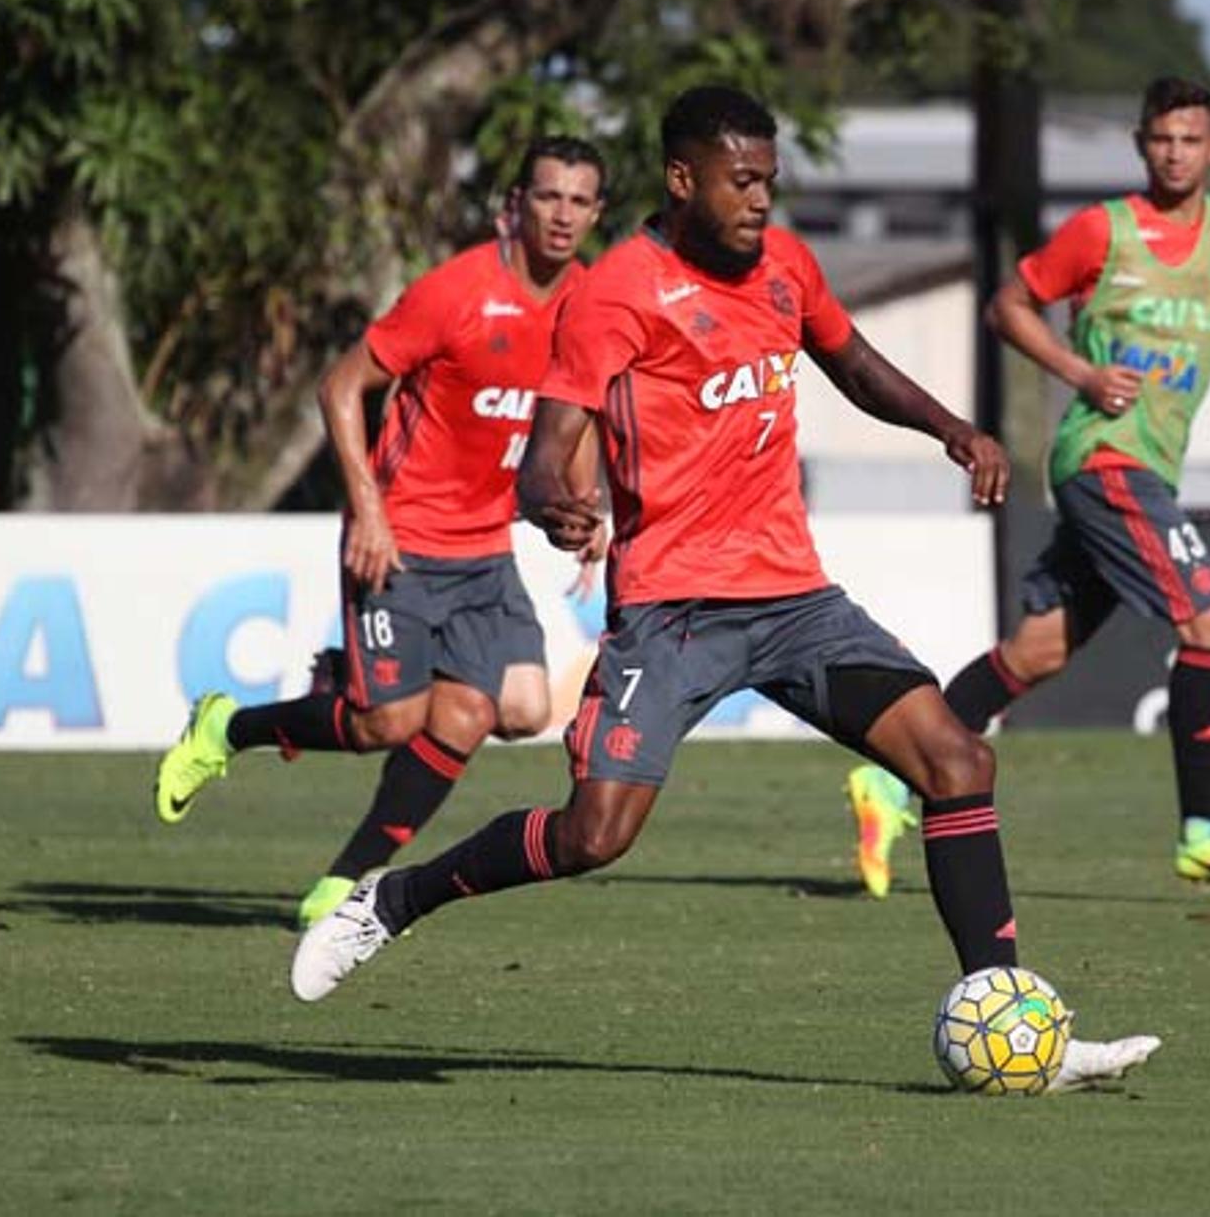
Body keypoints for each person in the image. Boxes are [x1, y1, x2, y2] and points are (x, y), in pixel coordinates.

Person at [292, 86, 1158, 1090]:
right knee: (593, 834)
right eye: (742, 181)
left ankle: (1015, 1021)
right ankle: (391, 901)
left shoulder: (787, 264)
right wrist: (550, 504)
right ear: (682, 178)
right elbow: (549, 450)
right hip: (672, 612)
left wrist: (953, 430)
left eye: (771, 180)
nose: (761, 200)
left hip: (795, 600)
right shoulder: (617, 291)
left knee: (957, 760)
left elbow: (855, 361)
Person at [847, 76, 1210, 889]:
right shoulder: (1102, 232)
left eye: (1189, 139)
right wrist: (1079, 372)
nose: (1175, 153)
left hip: (1151, 465)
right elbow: (1009, 306)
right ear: (1141, 143)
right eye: (1161, 138)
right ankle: (1203, 831)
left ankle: (887, 777)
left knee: (1037, 649)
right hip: (1103, 458)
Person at [152, 137, 608, 928]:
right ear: (516, 203)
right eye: (548, 197)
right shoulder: (457, 291)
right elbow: (340, 385)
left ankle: (348, 879)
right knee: (385, 723)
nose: (562, 214)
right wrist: (366, 508)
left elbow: (581, 409)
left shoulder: (590, 303)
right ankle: (228, 726)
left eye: (578, 201)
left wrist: (587, 501)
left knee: (520, 708)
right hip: (401, 536)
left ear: (595, 213)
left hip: (485, 549)